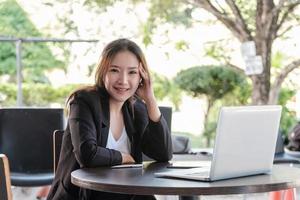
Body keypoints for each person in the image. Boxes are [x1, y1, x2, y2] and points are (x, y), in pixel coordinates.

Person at [47, 38, 173, 200]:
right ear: (103, 72)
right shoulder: (83, 101)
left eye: (132, 72)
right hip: (83, 195)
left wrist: (150, 99)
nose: (123, 80)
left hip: (127, 194)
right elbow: (87, 154)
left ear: (141, 77)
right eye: (114, 70)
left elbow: (163, 154)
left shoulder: (138, 109)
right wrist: (123, 157)